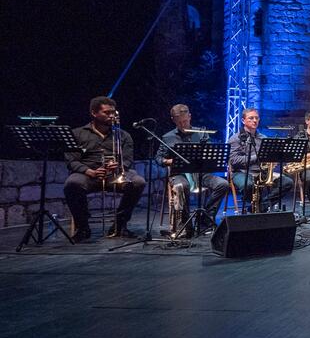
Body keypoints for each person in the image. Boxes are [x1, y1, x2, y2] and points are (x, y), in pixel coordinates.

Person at [63, 96, 147, 242]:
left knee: (138, 182)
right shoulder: (77, 133)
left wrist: (118, 166)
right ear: (94, 113)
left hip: (115, 174)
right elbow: (71, 160)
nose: (111, 116)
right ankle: (83, 227)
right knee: (72, 184)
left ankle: (119, 225)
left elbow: (128, 159)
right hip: (88, 174)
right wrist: (89, 171)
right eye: (107, 112)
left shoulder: (124, 135)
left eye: (113, 112)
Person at [155, 104, 229, 237]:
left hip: (200, 172)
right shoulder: (168, 137)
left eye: (185, 121)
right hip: (179, 173)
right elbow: (158, 158)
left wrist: (206, 155)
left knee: (222, 184)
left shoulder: (201, 133)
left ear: (190, 117)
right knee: (182, 186)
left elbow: (210, 153)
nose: (183, 125)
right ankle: (186, 224)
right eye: (179, 122)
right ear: (173, 120)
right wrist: (169, 161)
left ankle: (205, 219)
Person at [227, 108, 293, 212]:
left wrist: (272, 159)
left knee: (287, 182)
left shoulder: (263, 138)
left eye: (256, 118)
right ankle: (258, 206)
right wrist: (257, 157)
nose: (254, 120)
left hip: (261, 172)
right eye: (251, 118)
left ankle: (262, 206)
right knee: (248, 185)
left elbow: (268, 156)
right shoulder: (235, 139)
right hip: (241, 172)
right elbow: (234, 161)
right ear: (243, 120)